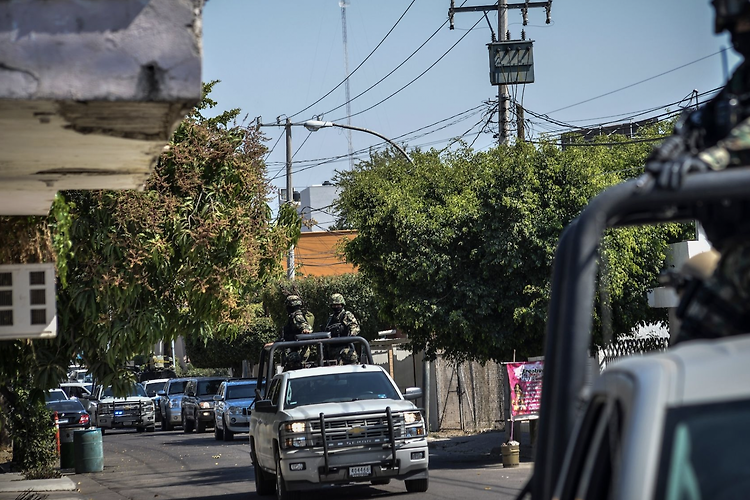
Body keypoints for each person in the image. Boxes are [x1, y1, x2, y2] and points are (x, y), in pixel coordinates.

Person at [645, 1, 750, 343]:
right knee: (690, 358)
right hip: (739, 262)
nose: (730, 30)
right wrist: (676, 148)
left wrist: (710, 161)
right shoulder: (743, 82)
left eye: (740, 16)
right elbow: (707, 121)